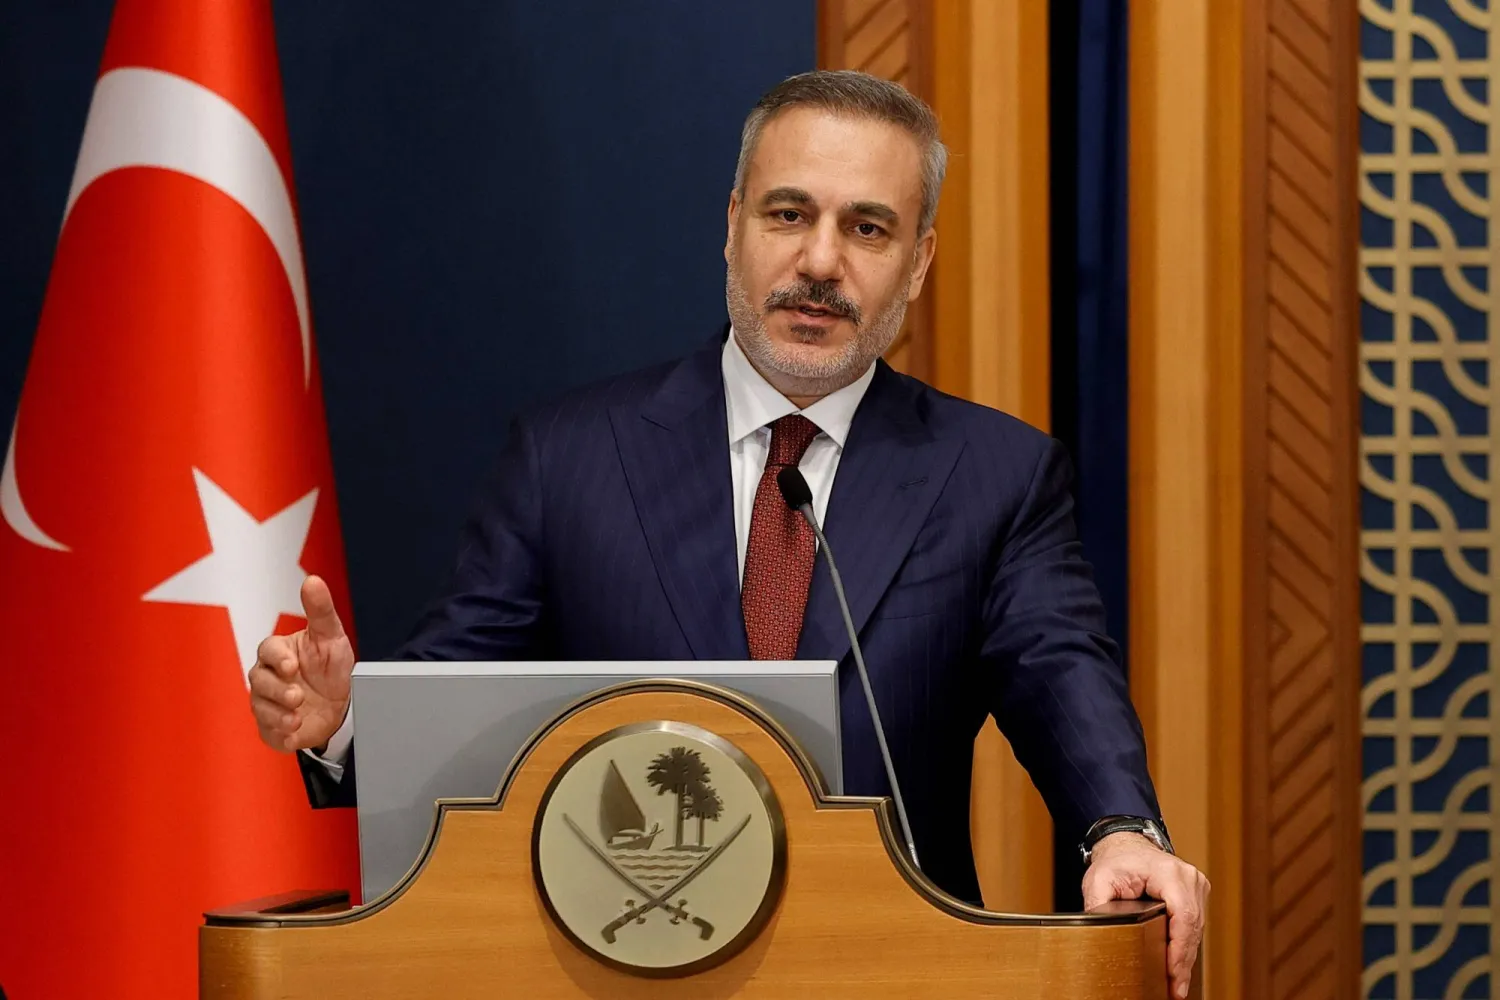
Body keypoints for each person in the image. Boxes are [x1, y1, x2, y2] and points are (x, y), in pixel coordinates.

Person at [248, 70, 1208, 995]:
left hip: (890, 978)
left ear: (917, 262)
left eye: (866, 228)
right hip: (613, 973)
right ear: (731, 226)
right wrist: (347, 728)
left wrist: (1122, 829)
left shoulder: (996, 474)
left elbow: (1061, 672)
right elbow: (456, 712)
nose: (821, 263)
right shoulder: (570, 457)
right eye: (789, 214)